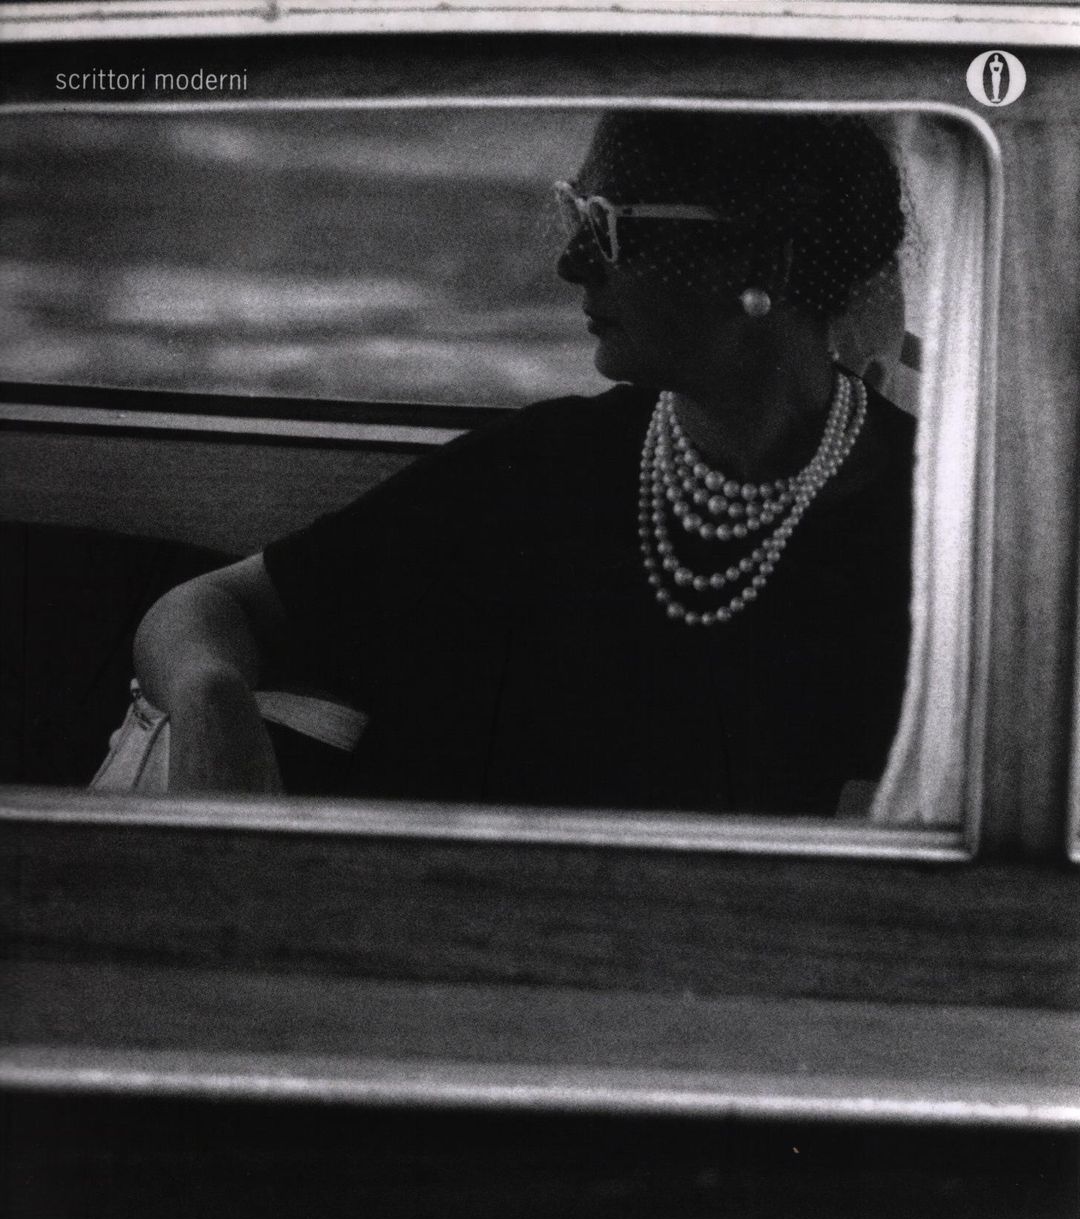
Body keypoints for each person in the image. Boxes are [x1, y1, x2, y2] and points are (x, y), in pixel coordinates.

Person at [134, 110, 915, 816]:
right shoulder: (544, 468)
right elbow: (207, 608)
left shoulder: (938, 530)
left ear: (764, 265)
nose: (572, 263)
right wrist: (211, 705)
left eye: (611, 227)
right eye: (576, 216)